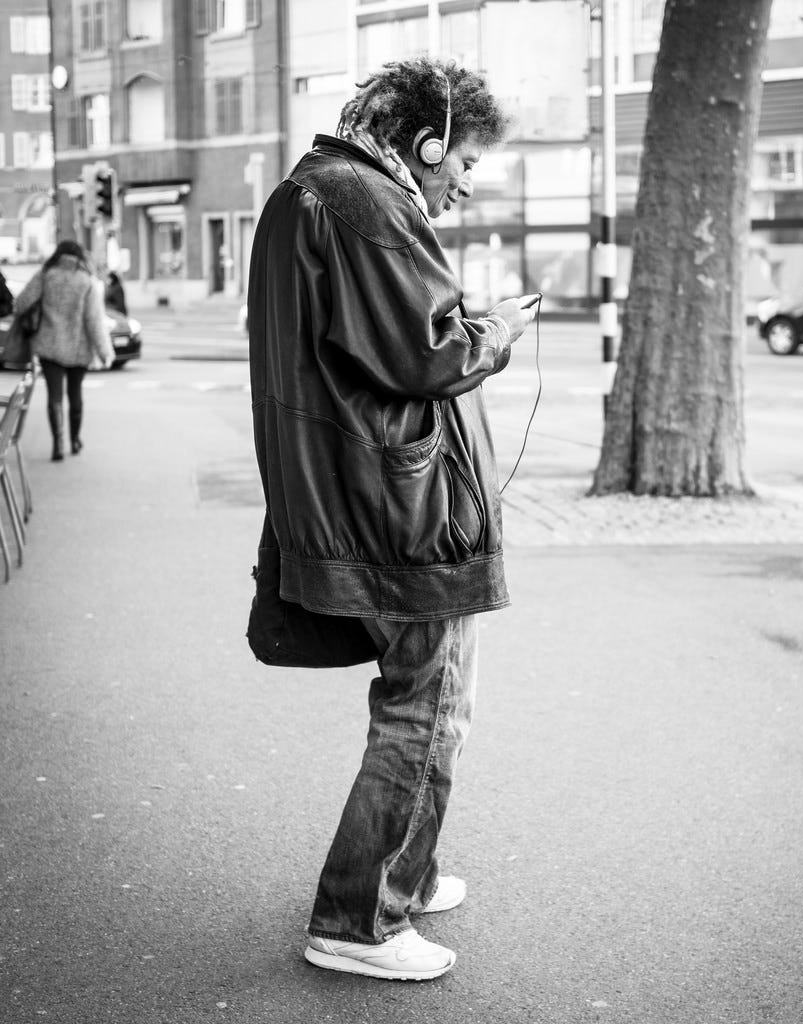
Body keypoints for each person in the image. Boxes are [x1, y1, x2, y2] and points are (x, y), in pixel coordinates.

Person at [248, 57, 538, 981]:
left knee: (425, 699)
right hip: (397, 510)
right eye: (467, 162)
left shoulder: (318, 191)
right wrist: (498, 328)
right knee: (428, 706)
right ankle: (359, 919)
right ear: (428, 144)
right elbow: (430, 354)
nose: (467, 183)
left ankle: (403, 872)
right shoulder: (367, 203)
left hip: (360, 494)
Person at [13, 241, 113, 461]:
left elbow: (21, 303)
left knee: (54, 396)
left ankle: (58, 444)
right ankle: (75, 440)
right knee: (75, 394)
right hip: (79, 348)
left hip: (48, 345)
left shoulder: (46, 275)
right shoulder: (86, 280)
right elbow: (94, 321)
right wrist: (105, 351)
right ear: (79, 257)